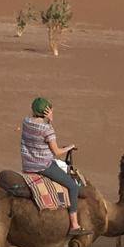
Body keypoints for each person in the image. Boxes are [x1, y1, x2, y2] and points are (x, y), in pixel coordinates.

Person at [21, 97, 90, 237]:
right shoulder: (47, 130)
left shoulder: (26, 122)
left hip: (28, 163)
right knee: (73, 186)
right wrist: (69, 147)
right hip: (43, 166)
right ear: (47, 111)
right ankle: (75, 225)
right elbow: (57, 152)